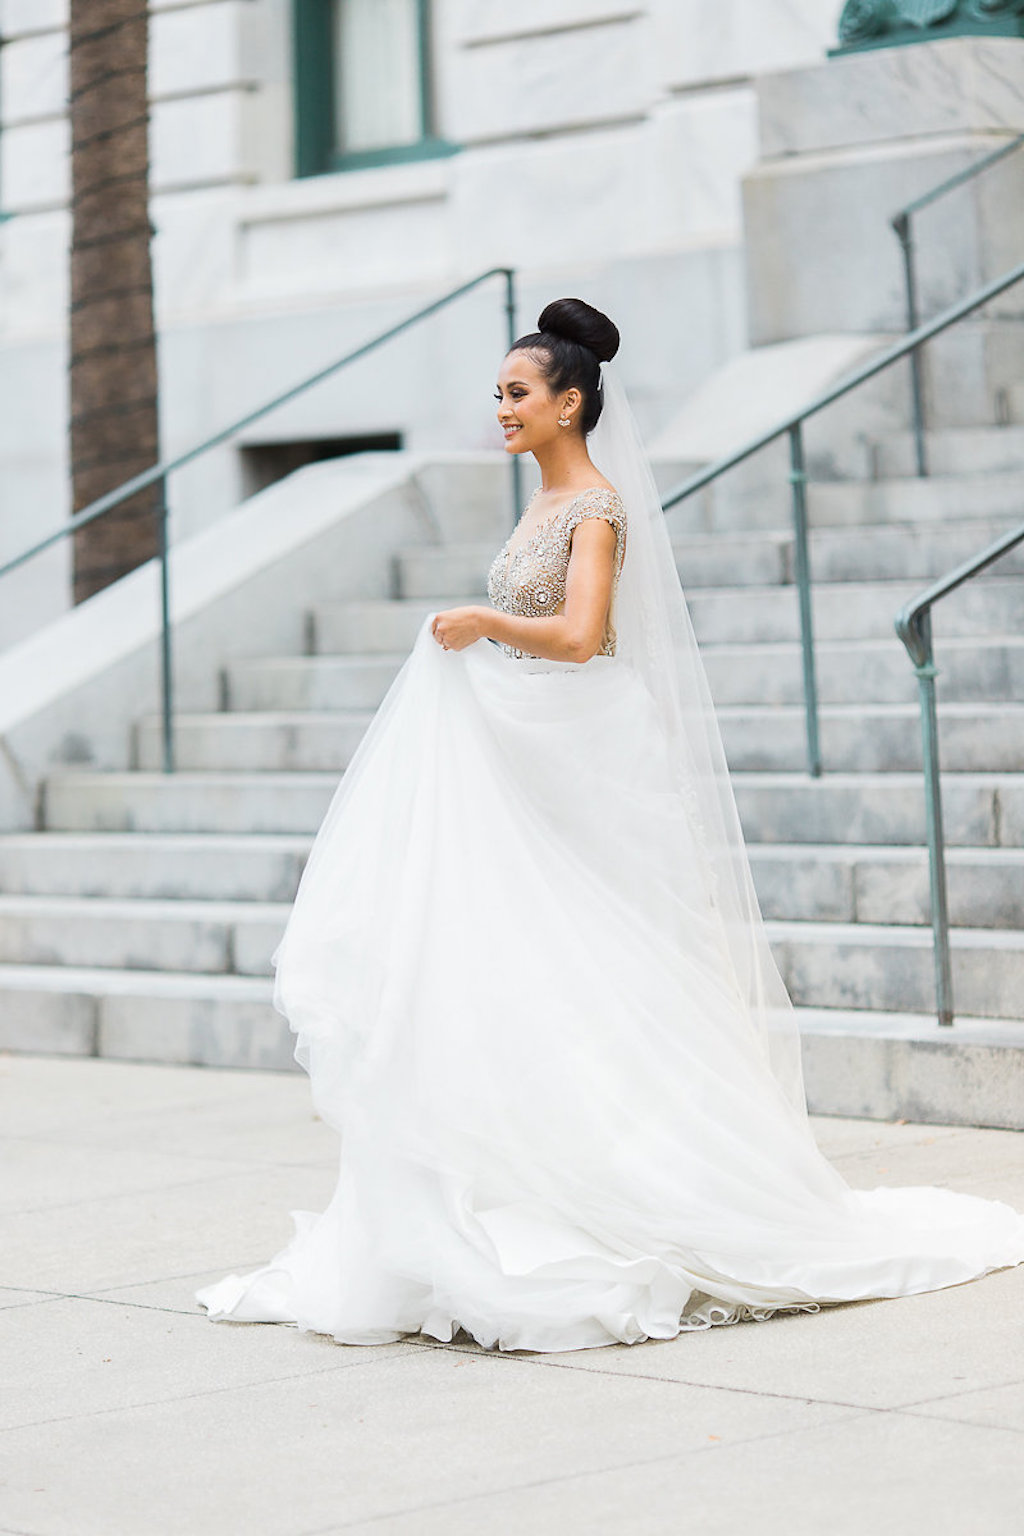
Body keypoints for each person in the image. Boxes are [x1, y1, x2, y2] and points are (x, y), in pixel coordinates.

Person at [197, 299, 1024, 1353]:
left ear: (570, 403)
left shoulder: (594, 505)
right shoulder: (544, 500)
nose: (500, 409)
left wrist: (486, 622)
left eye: (517, 394)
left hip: (585, 753)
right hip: (538, 748)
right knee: (534, 969)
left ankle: (639, 1191)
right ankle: (524, 1184)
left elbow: (583, 637)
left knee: (605, 963)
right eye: (497, 393)